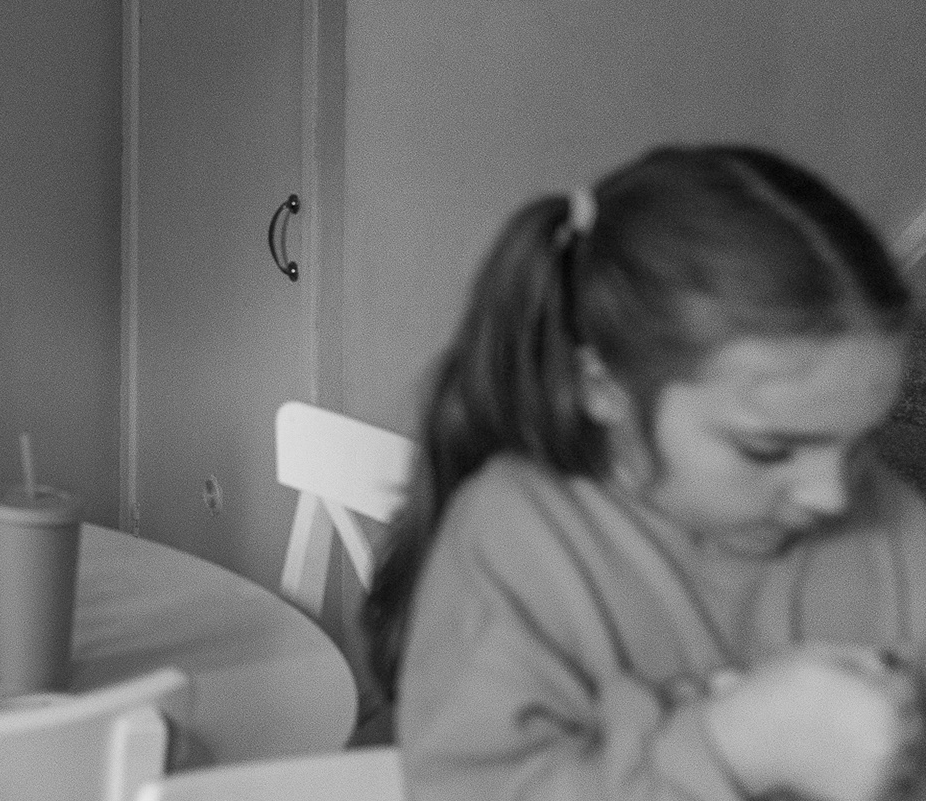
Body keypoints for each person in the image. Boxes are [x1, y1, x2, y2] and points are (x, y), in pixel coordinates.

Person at [365, 144, 926, 801]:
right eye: (768, 449)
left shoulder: (891, 523)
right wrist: (734, 748)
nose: (832, 494)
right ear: (601, 386)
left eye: (860, 443)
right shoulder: (519, 543)